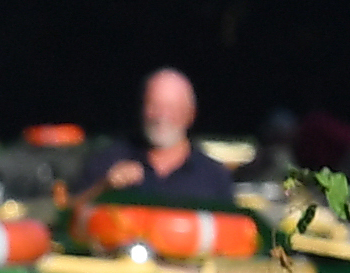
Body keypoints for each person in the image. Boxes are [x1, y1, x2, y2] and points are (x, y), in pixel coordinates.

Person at [99, 65, 245, 208]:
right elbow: (77, 211)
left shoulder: (214, 177)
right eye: (154, 105)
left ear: (190, 114)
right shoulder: (108, 161)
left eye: (171, 107)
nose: (161, 116)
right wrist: (104, 187)